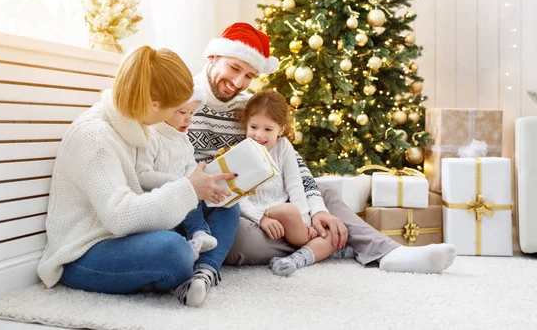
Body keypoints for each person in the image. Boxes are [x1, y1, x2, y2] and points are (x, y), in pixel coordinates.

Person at [189, 22, 456, 274]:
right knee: (237, 238)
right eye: (234, 68)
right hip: (225, 208)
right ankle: (327, 245)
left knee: (323, 194)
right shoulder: (185, 102)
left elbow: (294, 166)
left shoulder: (250, 106)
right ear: (213, 57)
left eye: (249, 75)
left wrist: (317, 212)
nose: (238, 82)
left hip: (271, 201)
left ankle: (388, 252)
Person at [37, 46, 241, 308]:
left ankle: (203, 273)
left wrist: (201, 187)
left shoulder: (134, 126)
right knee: (172, 249)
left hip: (130, 234)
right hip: (86, 251)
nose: (176, 117)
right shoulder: (96, 138)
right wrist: (188, 189)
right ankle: (181, 271)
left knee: (224, 203)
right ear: (154, 104)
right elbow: (119, 218)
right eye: (174, 110)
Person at [239, 90, 354, 276]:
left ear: (281, 130)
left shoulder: (284, 147)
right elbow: (237, 196)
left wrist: (305, 222)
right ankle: (322, 249)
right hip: (259, 215)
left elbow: (295, 184)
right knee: (289, 211)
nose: (259, 135)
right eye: (253, 127)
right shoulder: (241, 151)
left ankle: (293, 260)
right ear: (246, 125)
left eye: (268, 129)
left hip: (290, 218)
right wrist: (261, 218)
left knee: (329, 232)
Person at [136, 85, 218, 261]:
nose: (188, 119)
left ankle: (199, 234)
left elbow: (190, 165)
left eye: (191, 114)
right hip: (158, 201)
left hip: (182, 199)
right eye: (182, 112)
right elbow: (142, 174)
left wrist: (195, 178)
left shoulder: (184, 139)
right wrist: (179, 182)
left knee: (194, 196)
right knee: (185, 192)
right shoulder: (152, 136)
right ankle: (183, 247)